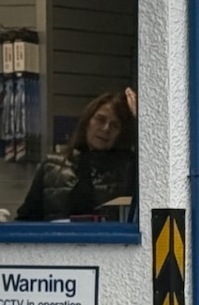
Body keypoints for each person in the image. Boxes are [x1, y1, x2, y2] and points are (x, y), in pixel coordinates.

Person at [15, 87, 137, 222]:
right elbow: (25, 220)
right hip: (57, 241)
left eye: (114, 125)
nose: (105, 129)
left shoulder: (129, 169)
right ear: (87, 122)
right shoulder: (51, 166)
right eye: (100, 120)